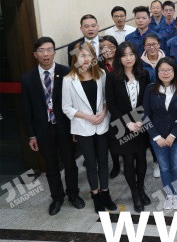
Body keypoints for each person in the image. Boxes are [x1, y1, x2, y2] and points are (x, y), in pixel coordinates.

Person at [21, 37, 83, 215]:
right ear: (35, 54)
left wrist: (75, 128)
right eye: (41, 51)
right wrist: (31, 135)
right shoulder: (27, 78)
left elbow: (75, 103)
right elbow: (26, 108)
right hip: (43, 130)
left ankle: (73, 195)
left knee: (70, 163)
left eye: (49, 50)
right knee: (51, 166)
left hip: (65, 127)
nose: (46, 54)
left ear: (55, 52)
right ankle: (57, 198)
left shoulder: (66, 72)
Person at [62, 41, 116, 213]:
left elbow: (107, 99)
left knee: (103, 161)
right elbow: (66, 108)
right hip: (83, 127)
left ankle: (106, 193)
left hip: (102, 124)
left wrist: (103, 113)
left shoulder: (101, 74)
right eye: (82, 56)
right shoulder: (68, 80)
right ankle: (96, 195)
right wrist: (88, 117)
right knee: (91, 163)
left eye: (89, 55)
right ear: (75, 58)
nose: (86, 59)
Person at [105, 42, 151, 212]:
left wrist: (140, 120)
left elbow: (147, 100)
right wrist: (127, 122)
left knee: (141, 158)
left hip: (140, 123)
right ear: (119, 58)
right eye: (124, 55)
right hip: (122, 124)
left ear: (136, 56)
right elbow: (111, 104)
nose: (128, 58)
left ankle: (141, 188)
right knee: (128, 160)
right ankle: (134, 193)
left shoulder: (144, 74)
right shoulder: (112, 77)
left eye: (131, 54)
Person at [143, 57, 177, 210]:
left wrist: (173, 135)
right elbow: (145, 115)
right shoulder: (150, 89)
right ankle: (169, 195)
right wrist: (157, 137)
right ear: (157, 72)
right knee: (164, 167)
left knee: (176, 165)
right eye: (162, 70)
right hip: (157, 138)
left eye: (168, 70)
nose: (165, 73)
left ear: (174, 71)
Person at [98, 34, 119, 178]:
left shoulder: (123, 61)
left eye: (111, 47)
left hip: (121, 104)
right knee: (112, 137)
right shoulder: (97, 65)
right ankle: (116, 164)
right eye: (104, 47)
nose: (108, 50)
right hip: (105, 105)